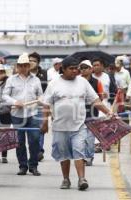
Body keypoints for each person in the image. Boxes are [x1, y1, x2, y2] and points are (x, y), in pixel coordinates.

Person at [41, 57, 115, 191]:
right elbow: (46, 104)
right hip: (60, 126)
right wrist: (45, 122)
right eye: (72, 69)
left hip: (79, 125)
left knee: (79, 151)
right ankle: (66, 179)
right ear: (63, 69)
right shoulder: (54, 84)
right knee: (63, 154)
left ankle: (82, 179)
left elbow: (95, 101)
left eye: (77, 68)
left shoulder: (83, 82)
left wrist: (108, 112)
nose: (75, 71)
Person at [3, 53, 43, 176]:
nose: (23, 68)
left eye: (25, 65)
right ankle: (23, 166)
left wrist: (41, 99)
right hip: (17, 114)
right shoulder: (11, 79)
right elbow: (5, 95)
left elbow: (40, 95)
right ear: (17, 66)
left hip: (33, 113)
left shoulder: (36, 80)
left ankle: (33, 165)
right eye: (20, 65)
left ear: (28, 66)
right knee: (19, 142)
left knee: (35, 140)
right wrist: (15, 102)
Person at [79, 60, 104, 166]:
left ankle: (89, 157)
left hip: (92, 113)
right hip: (78, 113)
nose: (83, 70)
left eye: (86, 68)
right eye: (82, 68)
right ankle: (82, 156)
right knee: (80, 137)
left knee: (90, 137)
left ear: (90, 69)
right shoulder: (77, 81)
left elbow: (101, 97)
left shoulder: (97, 82)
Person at [28, 52, 47, 161]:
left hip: (40, 105)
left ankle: (39, 150)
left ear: (38, 63)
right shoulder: (24, 72)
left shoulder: (44, 73)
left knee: (40, 129)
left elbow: (47, 89)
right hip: (27, 106)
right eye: (30, 60)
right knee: (31, 130)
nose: (31, 63)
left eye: (34, 61)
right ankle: (33, 149)